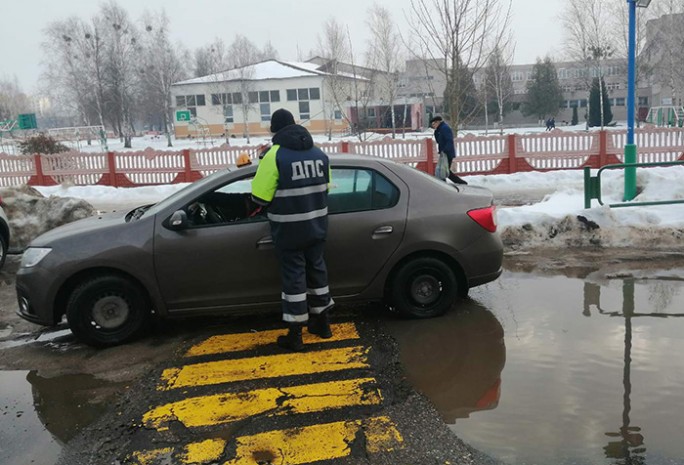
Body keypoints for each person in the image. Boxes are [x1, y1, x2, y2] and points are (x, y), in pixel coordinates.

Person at [251, 108, 334, 351]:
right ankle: (323, 324)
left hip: (289, 230)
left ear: (273, 130)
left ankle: (295, 335)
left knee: (294, 280)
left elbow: (259, 197)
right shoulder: (319, 153)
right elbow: (326, 187)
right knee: (318, 273)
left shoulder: (274, 156)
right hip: (317, 226)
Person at [429, 115, 467, 185]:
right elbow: (438, 141)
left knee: (444, 171)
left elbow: (449, 140)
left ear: (438, 122)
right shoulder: (439, 129)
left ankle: (461, 183)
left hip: (447, 153)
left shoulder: (445, 128)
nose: (433, 126)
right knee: (444, 170)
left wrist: (445, 151)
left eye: (433, 124)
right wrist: (436, 132)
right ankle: (444, 184)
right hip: (444, 153)